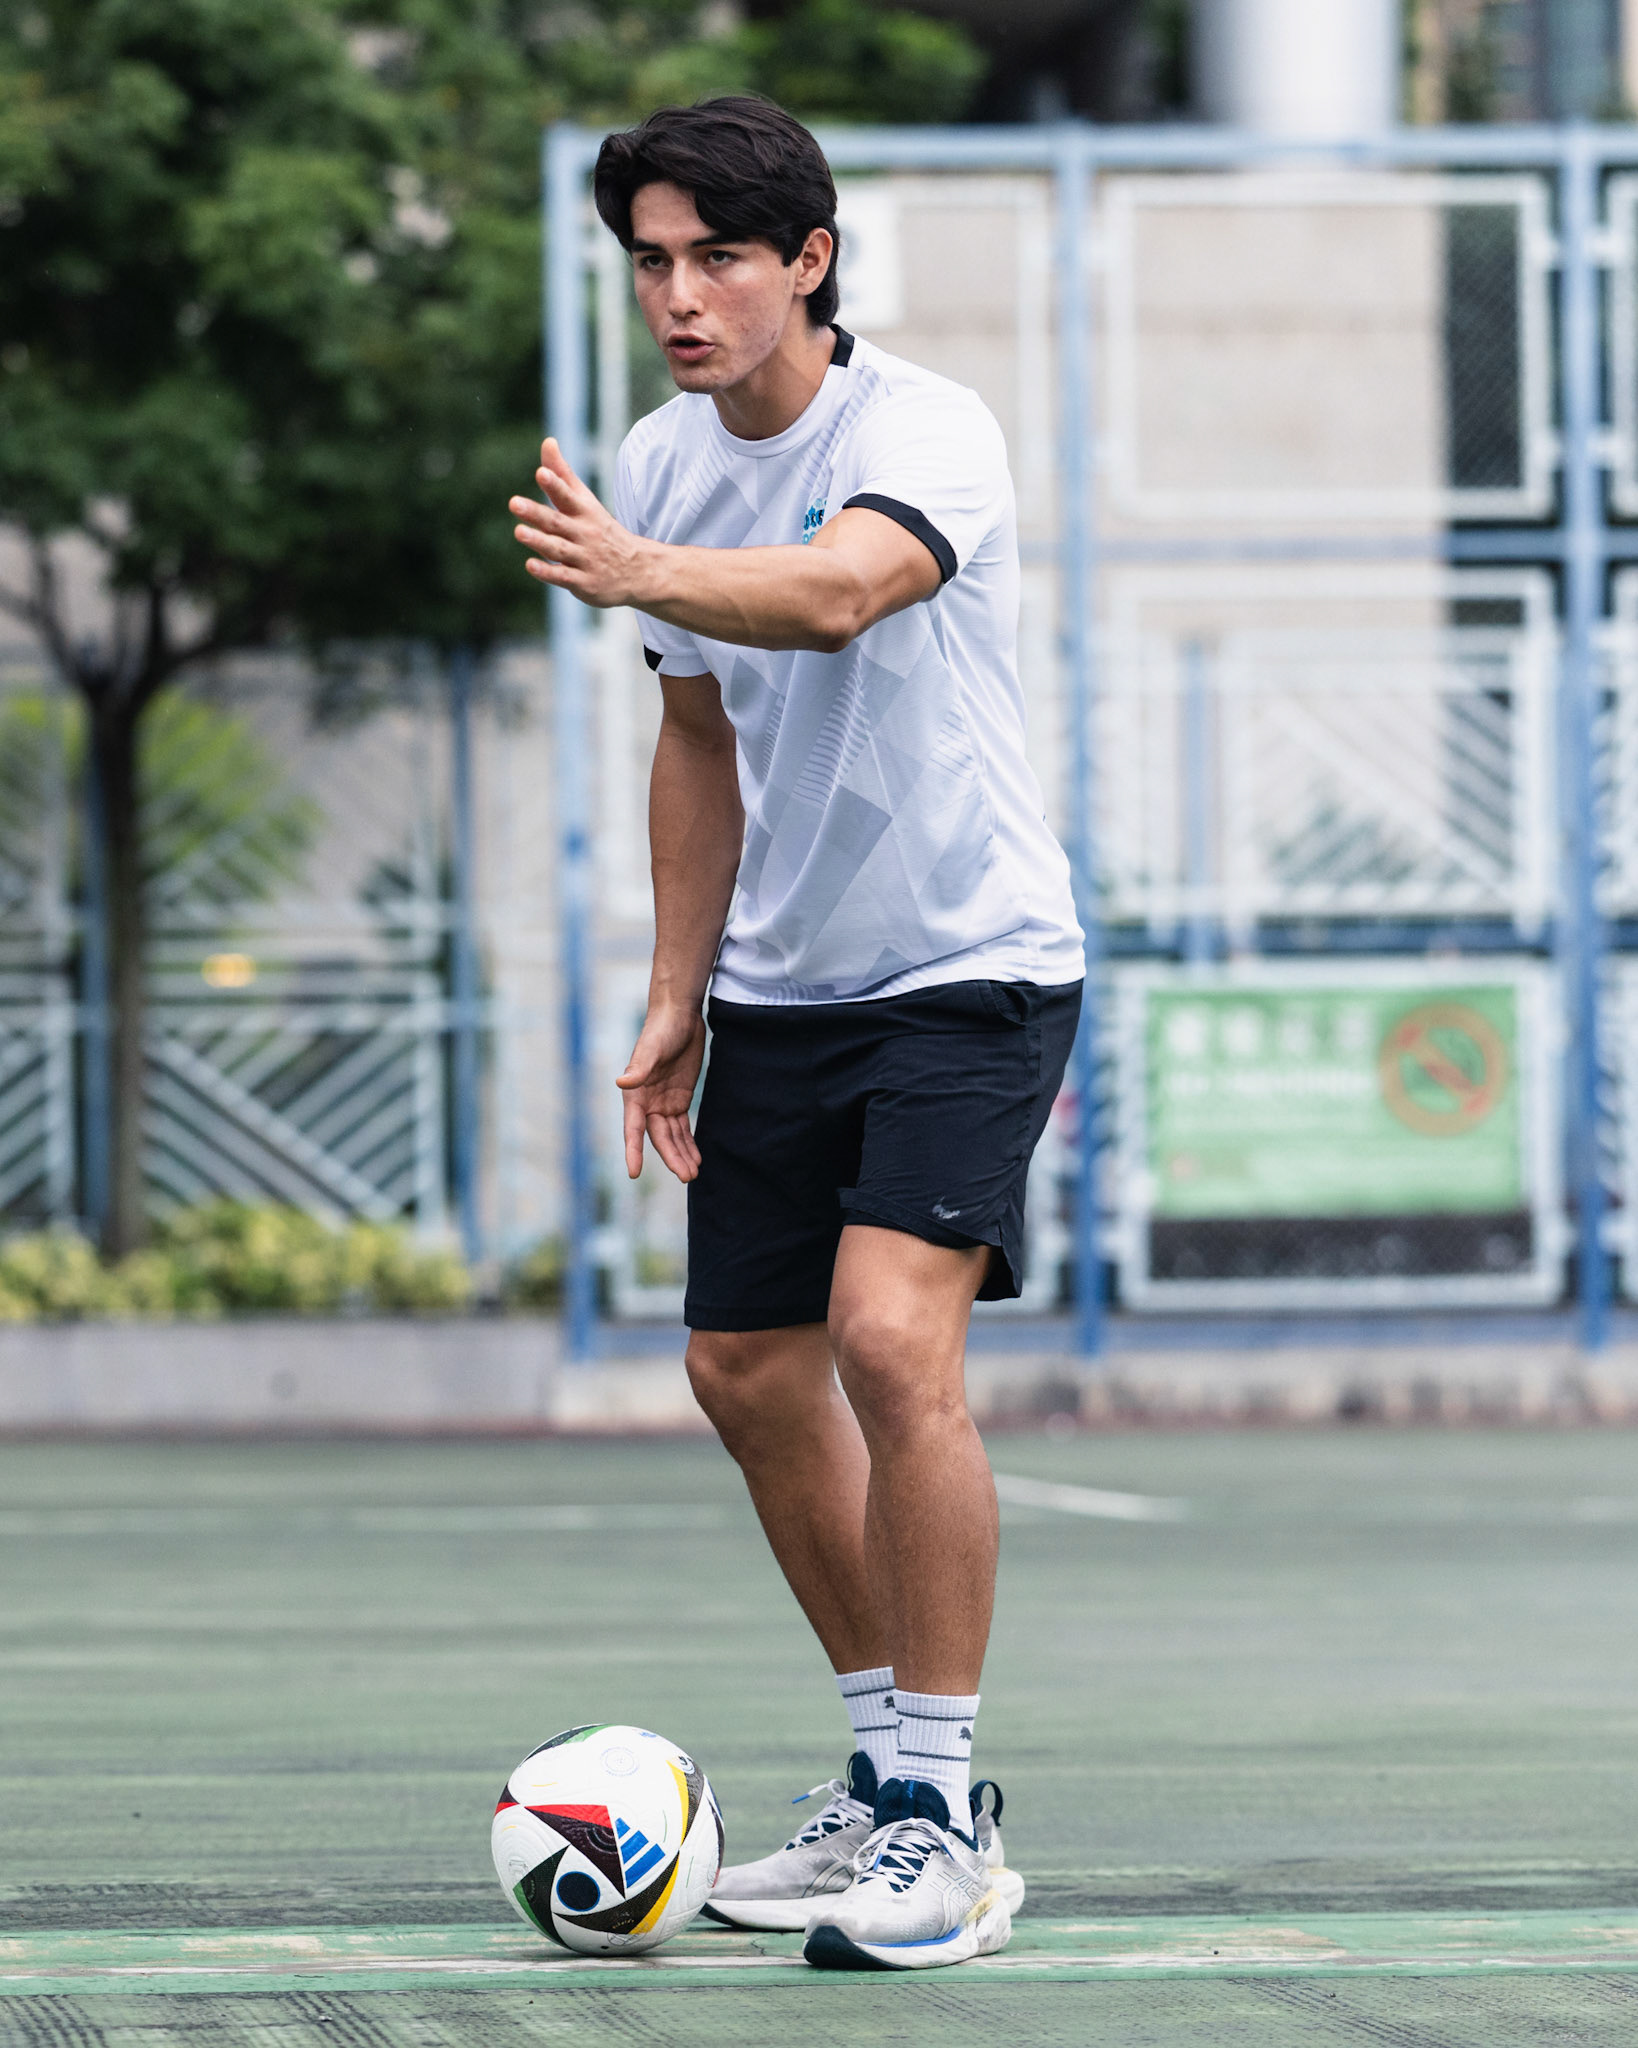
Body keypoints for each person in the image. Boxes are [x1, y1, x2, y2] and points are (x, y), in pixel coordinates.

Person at [509, 95, 1083, 1972]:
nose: (678, 297)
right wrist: (677, 992)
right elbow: (699, 736)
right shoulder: (656, 465)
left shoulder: (921, 427)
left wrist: (640, 572)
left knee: (883, 1338)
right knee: (747, 1374)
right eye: (651, 263)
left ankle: (944, 1818)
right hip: (781, 984)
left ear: (808, 261)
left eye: (717, 259)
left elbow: (839, 595)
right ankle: (873, 1789)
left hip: (968, 963)